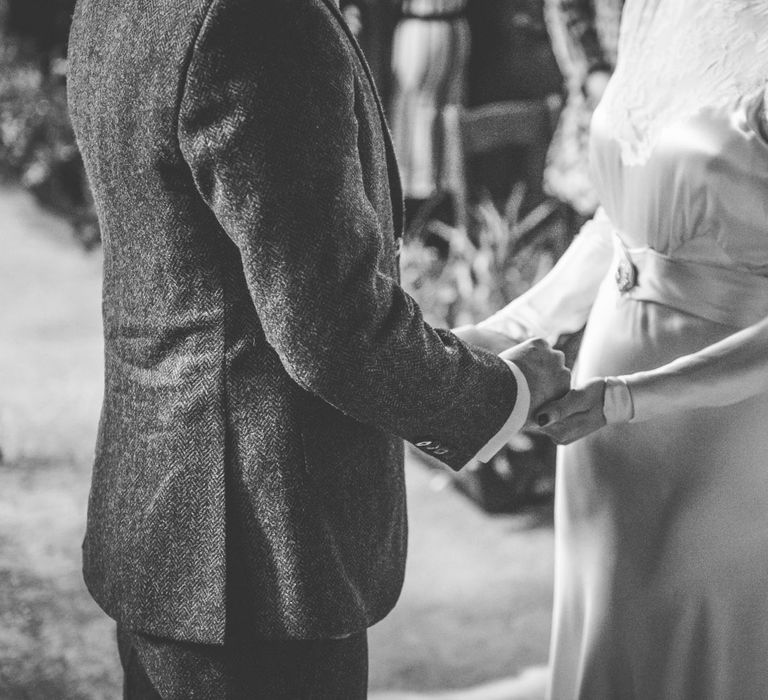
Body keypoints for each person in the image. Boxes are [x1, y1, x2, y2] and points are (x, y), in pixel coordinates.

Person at [66, 0, 570, 697]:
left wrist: (451, 351)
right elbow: (334, 333)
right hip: (254, 549)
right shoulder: (259, 19)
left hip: (163, 505)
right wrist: (503, 392)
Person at [458, 0, 768, 697]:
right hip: (601, 415)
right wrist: (511, 326)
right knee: (608, 620)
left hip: (723, 424)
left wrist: (631, 398)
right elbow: (620, 219)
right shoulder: (657, 10)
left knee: (697, 635)